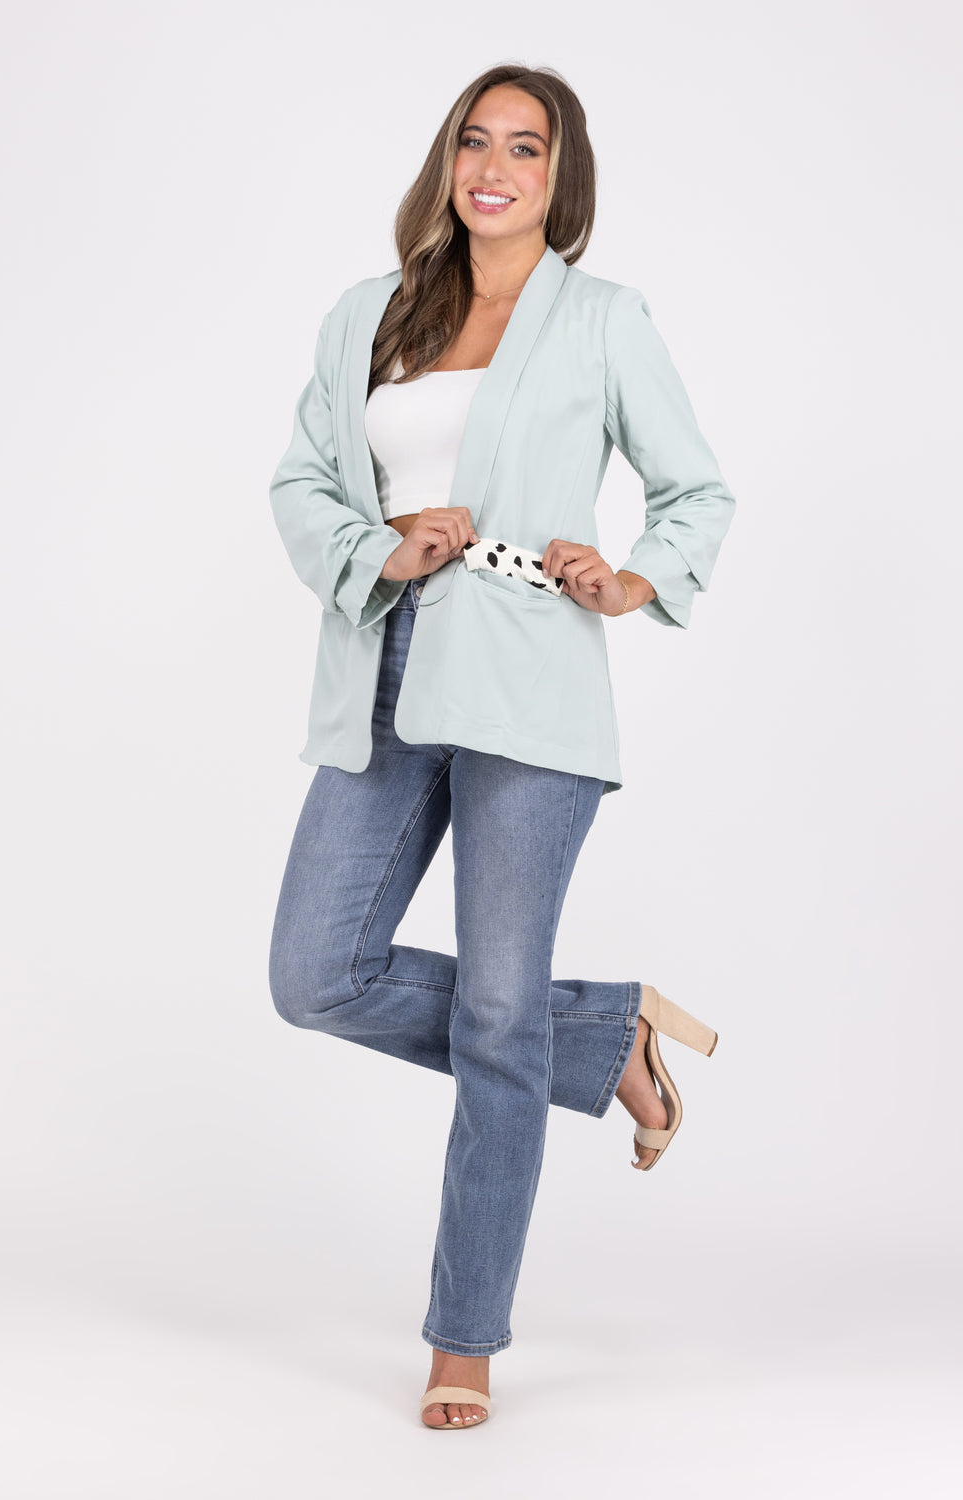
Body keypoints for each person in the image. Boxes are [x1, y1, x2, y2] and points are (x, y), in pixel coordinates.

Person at [267, 63, 735, 1431]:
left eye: (527, 148)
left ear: (558, 177)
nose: (495, 167)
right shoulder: (372, 312)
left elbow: (697, 490)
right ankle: (603, 1032)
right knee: (314, 973)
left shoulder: (603, 320)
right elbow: (302, 480)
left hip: (530, 681)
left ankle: (464, 1337)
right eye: (476, 141)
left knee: (492, 1018)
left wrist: (631, 581)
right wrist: (381, 544)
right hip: (384, 663)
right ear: (448, 160)